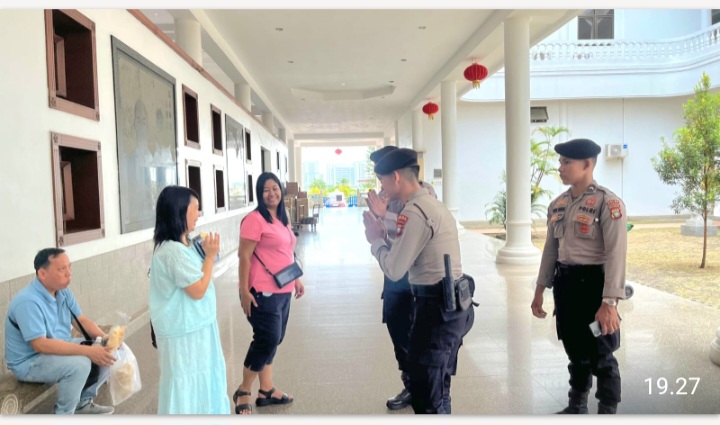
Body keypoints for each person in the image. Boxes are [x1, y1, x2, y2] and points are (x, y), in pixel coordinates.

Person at [363, 148, 474, 414]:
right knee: (437, 390)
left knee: (427, 397)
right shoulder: (431, 205)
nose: (382, 188)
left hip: (436, 310)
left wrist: (376, 241)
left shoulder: (415, 211)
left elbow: (395, 269)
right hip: (448, 305)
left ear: (396, 177)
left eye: (383, 181)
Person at [531, 138, 626, 415]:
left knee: (602, 354)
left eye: (566, 162)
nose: (560, 167)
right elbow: (551, 250)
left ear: (587, 164)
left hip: (594, 289)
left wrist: (610, 303)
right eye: (560, 162)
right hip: (566, 286)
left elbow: (616, 255)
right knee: (575, 349)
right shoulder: (558, 204)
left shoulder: (608, 203)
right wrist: (540, 289)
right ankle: (577, 406)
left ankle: (607, 412)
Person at [365, 145, 438, 410]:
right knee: (397, 330)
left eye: (383, 175)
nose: (381, 183)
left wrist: (384, 214)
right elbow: (391, 238)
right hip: (394, 275)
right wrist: (377, 226)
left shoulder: (424, 191)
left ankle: (426, 387)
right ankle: (410, 384)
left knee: (418, 334)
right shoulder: (385, 195)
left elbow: (414, 228)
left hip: (416, 277)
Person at [149, 185, 230, 414]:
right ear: (179, 211)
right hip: (183, 332)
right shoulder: (171, 251)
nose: (198, 214)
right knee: (186, 385)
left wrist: (205, 253)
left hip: (198, 326)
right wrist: (210, 257)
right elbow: (198, 290)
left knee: (203, 381)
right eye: (195, 208)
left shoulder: (184, 245)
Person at [4, 248, 116, 414]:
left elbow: (81, 320)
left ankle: (82, 403)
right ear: (42, 274)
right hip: (29, 362)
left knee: (107, 350)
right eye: (62, 269)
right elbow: (41, 345)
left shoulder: (62, 291)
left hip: (58, 345)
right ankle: (64, 413)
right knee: (80, 365)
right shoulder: (27, 302)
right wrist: (88, 351)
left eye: (69, 267)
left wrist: (106, 338)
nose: (69, 273)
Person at [234, 172, 306, 415]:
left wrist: (295, 279)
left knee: (275, 339)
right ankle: (244, 390)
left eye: (275, 188)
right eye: (266, 190)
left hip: (283, 289)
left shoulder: (282, 218)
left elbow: (285, 252)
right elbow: (244, 256)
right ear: (259, 193)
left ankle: (266, 390)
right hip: (261, 291)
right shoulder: (254, 220)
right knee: (267, 339)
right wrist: (244, 290)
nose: (272, 193)